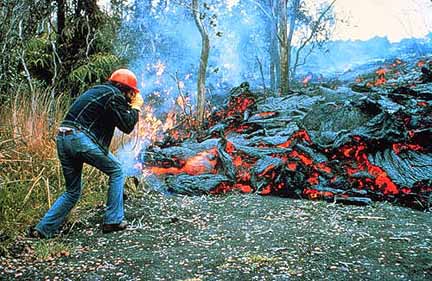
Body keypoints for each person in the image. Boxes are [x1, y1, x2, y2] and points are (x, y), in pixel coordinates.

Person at [30, 69, 144, 238]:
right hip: (79, 139)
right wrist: (135, 108)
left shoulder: (98, 91)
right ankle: (113, 221)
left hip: (63, 138)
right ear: (124, 88)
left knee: (72, 192)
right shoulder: (115, 95)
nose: (131, 96)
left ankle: (42, 230)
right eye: (131, 93)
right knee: (117, 170)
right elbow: (127, 126)